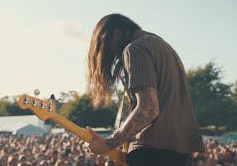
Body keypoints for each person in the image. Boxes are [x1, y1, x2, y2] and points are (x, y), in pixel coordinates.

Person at [85, 13, 205, 166]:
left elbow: (148, 109)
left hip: (152, 151)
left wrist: (108, 144)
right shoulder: (162, 46)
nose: (110, 53)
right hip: (178, 151)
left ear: (117, 33)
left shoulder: (135, 49)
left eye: (105, 44)